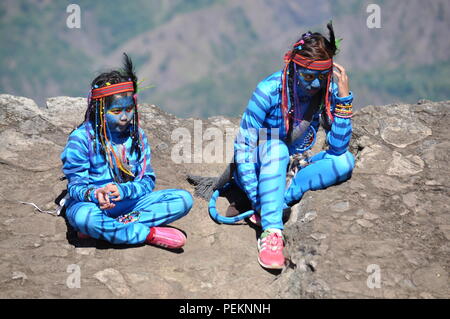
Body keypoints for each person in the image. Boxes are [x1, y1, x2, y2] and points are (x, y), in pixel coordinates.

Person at [234, 22, 355, 269]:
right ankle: (271, 232)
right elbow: (244, 149)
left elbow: (338, 149)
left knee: (345, 162)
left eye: (322, 77)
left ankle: (278, 200)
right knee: (276, 148)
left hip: (293, 166)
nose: (314, 85)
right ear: (293, 66)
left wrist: (343, 98)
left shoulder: (327, 90)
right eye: (308, 76)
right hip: (262, 163)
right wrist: (256, 197)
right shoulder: (269, 90)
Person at [61, 53, 193, 249]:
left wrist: (124, 190)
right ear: (99, 110)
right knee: (84, 218)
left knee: (183, 200)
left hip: (129, 201)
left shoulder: (137, 136)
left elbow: (147, 181)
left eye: (129, 109)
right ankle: (147, 233)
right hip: (92, 205)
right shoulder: (81, 139)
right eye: (116, 111)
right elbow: (75, 186)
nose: (124, 117)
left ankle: (109, 229)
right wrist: (96, 193)